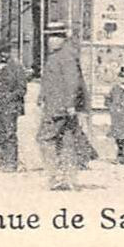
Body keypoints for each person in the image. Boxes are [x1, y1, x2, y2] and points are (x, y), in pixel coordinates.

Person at [37, 33, 86, 190]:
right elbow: (50, 80)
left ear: (62, 39)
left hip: (58, 108)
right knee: (65, 141)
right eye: (49, 37)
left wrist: (70, 104)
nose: (50, 41)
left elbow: (73, 82)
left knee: (45, 139)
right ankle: (68, 178)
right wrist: (42, 96)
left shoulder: (65, 56)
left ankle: (55, 175)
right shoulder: (60, 55)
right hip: (58, 106)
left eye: (55, 37)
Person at [0, 44, 27, 171]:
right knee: (0, 134)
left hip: (10, 106)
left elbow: (22, 89)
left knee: (9, 134)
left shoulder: (16, 67)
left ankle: (11, 163)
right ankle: (3, 162)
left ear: (9, 52)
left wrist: (8, 97)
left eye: (5, 52)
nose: (2, 55)